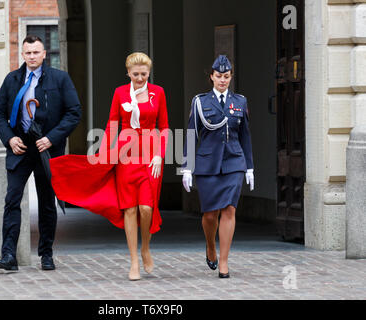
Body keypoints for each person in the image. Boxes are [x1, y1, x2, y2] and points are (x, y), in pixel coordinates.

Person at [50, 52, 169, 281]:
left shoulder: (158, 93)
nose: (140, 78)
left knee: (147, 208)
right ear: (128, 73)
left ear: (149, 73)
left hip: (150, 155)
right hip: (125, 154)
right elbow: (112, 124)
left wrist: (159, 155)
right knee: (130, 208)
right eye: (136, 74)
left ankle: (146, 248)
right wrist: (102, 154)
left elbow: (163, 126)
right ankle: (134, 260)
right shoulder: (120, 93)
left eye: (144, 74)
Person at [0, 35, 81, 271]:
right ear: (23, 54)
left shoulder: (60, 79)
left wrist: (51, 138)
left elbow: (74, 112)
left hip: (46, 149)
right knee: (12, 200)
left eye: (36, 52)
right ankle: (9, 255)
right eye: (27, 53)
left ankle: (46, 254)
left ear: (44, 54)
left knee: (47, 202)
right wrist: (10, 139)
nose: (32, 56)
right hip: (20, 148)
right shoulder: (12, 80)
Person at [182, 55, 254, 278]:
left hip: (234, 161)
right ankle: (210, 246)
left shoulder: (240, 101)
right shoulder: (200, 102)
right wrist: (186, 166)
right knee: (210, 214)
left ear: (231, 77)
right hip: (207, 163)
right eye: (218, 76)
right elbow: (191, 134)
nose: (222, 80)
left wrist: (249, 167)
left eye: (226, 76)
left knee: (229, 210)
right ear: (211, 76)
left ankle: (224, 261)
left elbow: (245, 136)